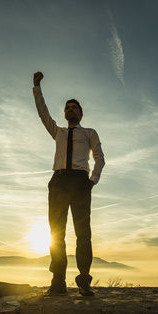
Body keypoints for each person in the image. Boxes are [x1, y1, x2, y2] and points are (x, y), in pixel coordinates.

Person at [32, 71, 105, 296]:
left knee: (83, 233)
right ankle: (58, 281)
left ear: (80, 113)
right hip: (59, 181)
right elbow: (42, 113)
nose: (70, 110)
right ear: (64, 114)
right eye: (67, 108)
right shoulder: (58, 132)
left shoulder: (89, 133)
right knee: (56, 232)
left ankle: (84, 281)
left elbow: (100, 158)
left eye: (74, 107)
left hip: (80, 182)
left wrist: (92, 180)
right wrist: (37, 87)